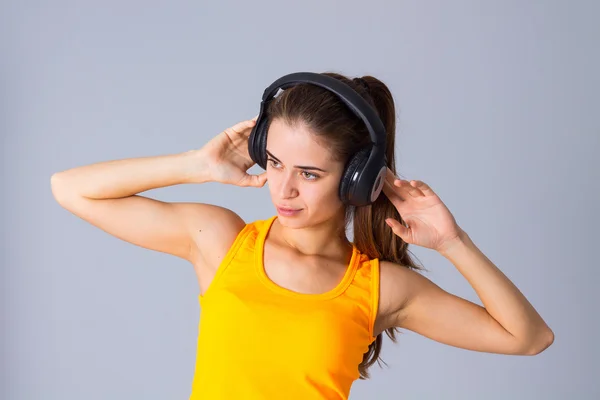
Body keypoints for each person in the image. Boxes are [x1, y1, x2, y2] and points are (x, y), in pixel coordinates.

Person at [51, 72, 554, 399]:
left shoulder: (382, 287)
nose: (283, 188)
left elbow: (529, 338)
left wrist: (452, 242)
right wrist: (195, 165)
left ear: (357, 179)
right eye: (273, 162)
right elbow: (71, 189)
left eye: (309, 174)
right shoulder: (221, 241)